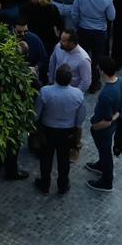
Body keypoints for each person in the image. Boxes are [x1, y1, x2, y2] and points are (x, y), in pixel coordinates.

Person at [33, 64, 84, 195]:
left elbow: (36, 114)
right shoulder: (77, 94)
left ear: (56, 77)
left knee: (46, 159)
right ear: (70, 79)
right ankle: (63, 185)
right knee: (63, 160)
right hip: (67, 132)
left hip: (47, 131)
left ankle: (45, 185)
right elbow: (80, 118)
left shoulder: (45, 92)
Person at [87, 59, 122, 193]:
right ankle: (101, 165)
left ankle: (107, 181)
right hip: (113, 125)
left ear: (102, 71)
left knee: (105, 152)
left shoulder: (106, 94)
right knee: (105, 152)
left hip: (104, 128)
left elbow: (107, 120)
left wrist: (95, 126)